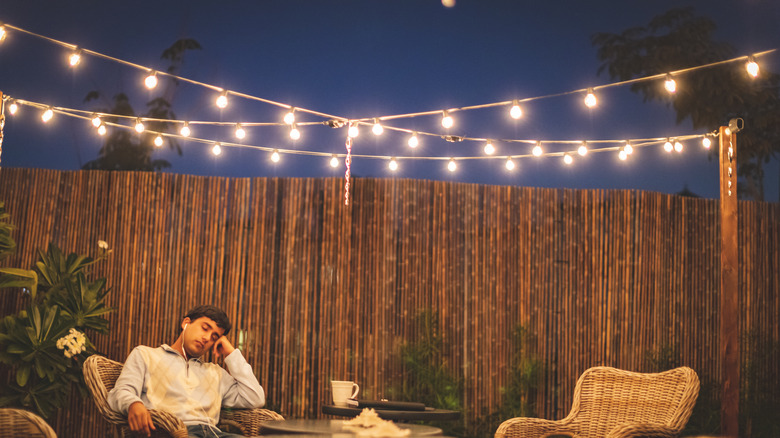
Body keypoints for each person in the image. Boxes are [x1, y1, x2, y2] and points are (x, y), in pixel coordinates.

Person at [107, 305, 265, 438]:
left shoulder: (216, 373)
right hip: (172, 432)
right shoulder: (146, 355)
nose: (206, 337)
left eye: (214, 336)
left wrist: (231, 353)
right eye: (205, 328)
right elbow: (121, 391)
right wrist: (134, 404)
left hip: (215, 434)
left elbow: (255, 398)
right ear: (186, 323)